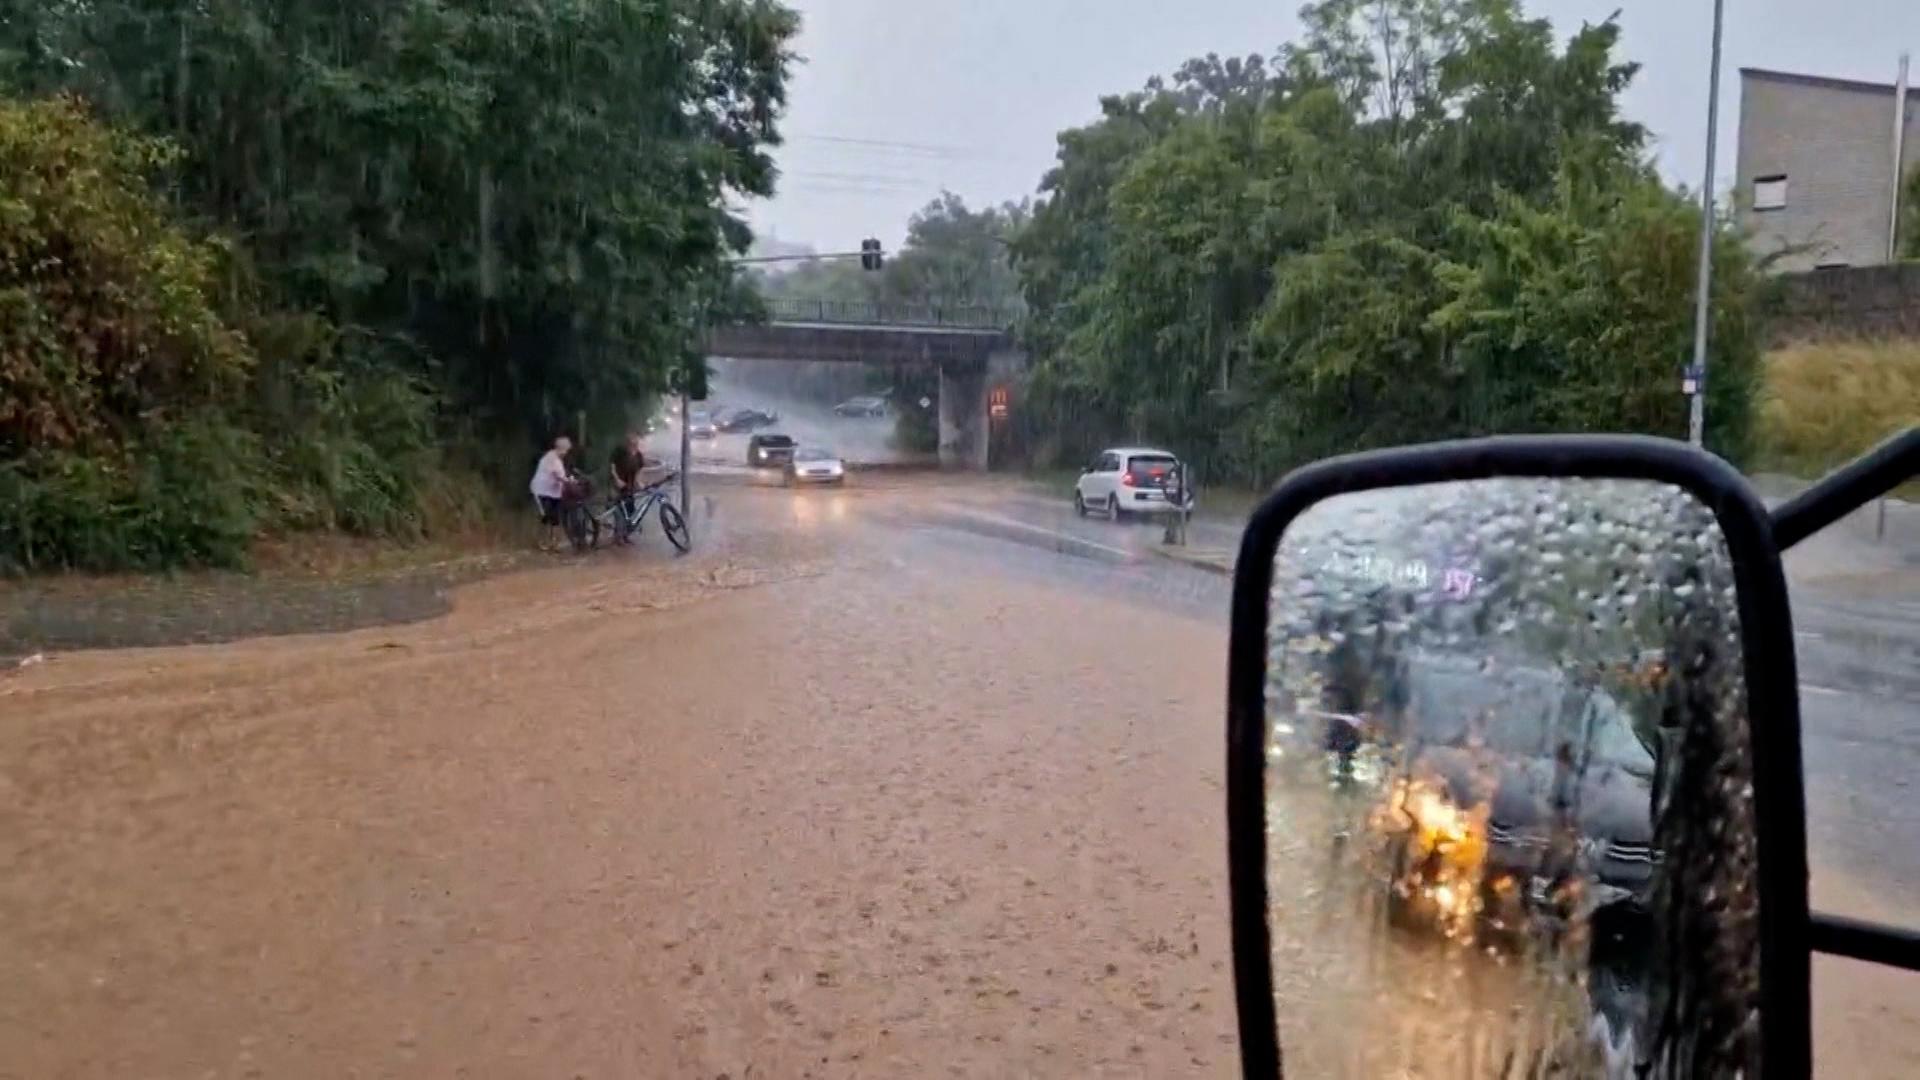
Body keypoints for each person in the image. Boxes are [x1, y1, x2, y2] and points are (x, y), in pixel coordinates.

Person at [529, 435, 572, 552]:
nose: (566, 453)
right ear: (561, 448)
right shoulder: (551, 458)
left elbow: (560, 475)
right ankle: (541, 542)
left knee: (555, 518)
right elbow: (558, 475)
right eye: (566, 450)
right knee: (545, 517)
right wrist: (568, 480)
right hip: (542, 491)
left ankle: (553, 543)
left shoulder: (556, 458)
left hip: (553, 492)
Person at [608, 431, 646, 544]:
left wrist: (638, 482)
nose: (633, 446)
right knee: (619, 510)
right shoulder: (619, 451)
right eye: (631, 443)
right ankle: (618, 536)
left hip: (629, 486)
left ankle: (625, 535)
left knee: (630, 509)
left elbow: (639, 469)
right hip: (617, 483)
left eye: (635, 443)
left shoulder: (638, 455)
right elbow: (612, 466)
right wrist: (616, 479)